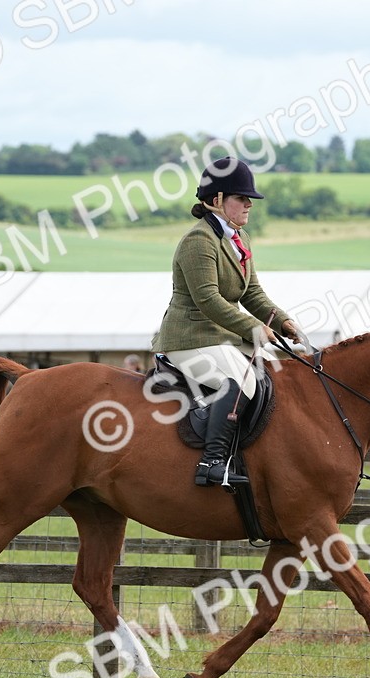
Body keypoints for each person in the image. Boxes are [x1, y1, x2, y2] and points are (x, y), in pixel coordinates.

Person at [152, 157, 302, 486]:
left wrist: (283, 323)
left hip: (220, 336)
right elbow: (208, 300)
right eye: (241, 197)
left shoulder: (240, 238)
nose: (249, 204)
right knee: (238, 382)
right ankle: (212, 462)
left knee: (274, 373)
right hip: (189, 337)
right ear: (217, 200)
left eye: (249, 198)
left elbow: (252, 294)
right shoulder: (198, 241)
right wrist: (253, 328)